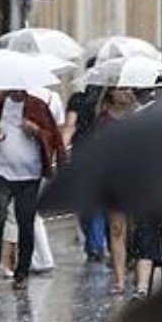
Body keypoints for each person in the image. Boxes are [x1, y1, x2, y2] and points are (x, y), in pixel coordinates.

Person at [0, 88, 63, 290]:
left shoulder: (37, 106)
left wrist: (37, 132)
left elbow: (53, 136)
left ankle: (22, 273)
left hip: (29, 175)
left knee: (25, 222)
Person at [97, 87, 142, 294]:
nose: (124, 92)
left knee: (136, 228)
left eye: (127, 88)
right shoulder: (103, 121)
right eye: (119, 89)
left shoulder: (140, 115)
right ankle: (120, 280)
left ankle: (140, 274)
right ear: (110, 94)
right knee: (117, 227)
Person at [67, 84, 109, 263]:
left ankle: (95, 243)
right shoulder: (107, 99)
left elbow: (70, 125)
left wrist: (64, 148)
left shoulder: (77, 98)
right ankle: (96, 244)